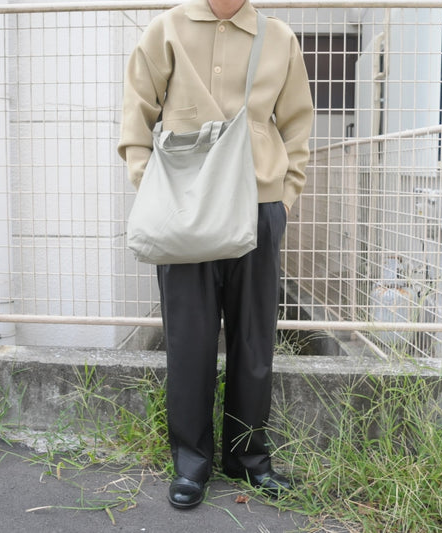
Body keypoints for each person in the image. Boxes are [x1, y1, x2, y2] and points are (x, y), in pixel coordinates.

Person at [118, 0, 313, 509]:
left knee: (254, 339)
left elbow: (297, 123)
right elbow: (137, 113)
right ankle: (191, 461)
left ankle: (248, 457)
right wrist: (150, 185)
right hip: (185, 208)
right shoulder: (166, 29)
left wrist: (284, 199)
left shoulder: (279, 38)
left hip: (257, 205)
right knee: (189, 339)